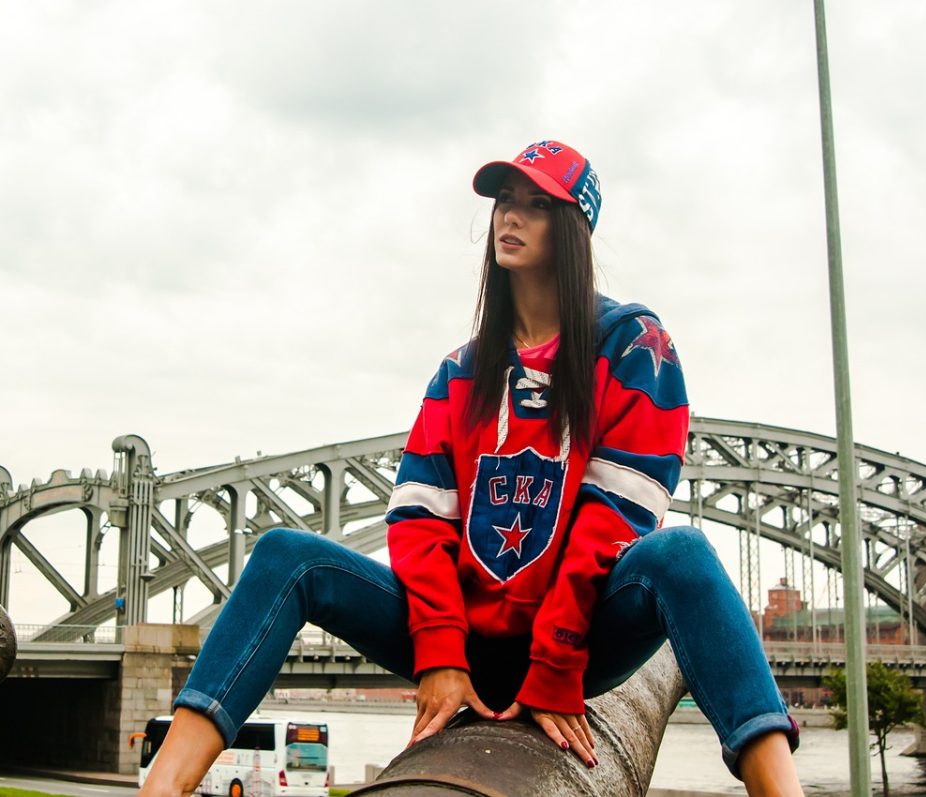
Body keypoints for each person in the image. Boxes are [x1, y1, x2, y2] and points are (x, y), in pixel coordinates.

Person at [138, 140, 803, 797]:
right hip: (465, 636)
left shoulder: (634, 346)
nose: (509, 218)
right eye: (503, 202)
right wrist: (441, 652)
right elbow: (419, 522)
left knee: (681, 553)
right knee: (287, 555)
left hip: (578, 639)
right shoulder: (460, 371)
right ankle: (163, 785)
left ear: (572, 228)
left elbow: (617, 516)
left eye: (535, 205)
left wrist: (555, 659)